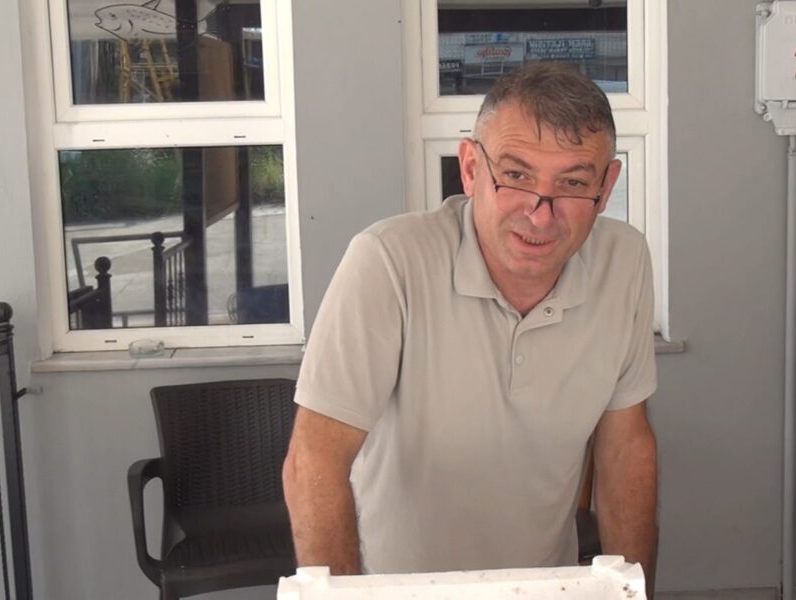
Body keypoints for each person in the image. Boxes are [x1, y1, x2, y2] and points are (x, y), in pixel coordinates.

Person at [282, 61, 658, 592]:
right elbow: (314, 458)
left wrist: (635, 593)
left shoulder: (625, 261)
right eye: (516, 176)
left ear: (607, 183)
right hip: (398, 590)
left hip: (547, 585)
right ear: (471, 168)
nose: (540, 214)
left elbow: (625, 450)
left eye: (573, 184)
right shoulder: (387, 261)